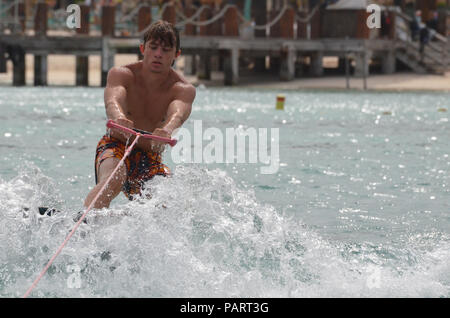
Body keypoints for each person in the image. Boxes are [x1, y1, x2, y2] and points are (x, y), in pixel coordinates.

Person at [84, 20, 196, 210]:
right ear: (143, 48)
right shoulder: (122, 74)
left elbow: (177, 114)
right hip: (117, 145)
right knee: (115, 178)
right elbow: (113, 100)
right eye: (153, 48)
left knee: (165, 203)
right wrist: (118, 116)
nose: (158, 54)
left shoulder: (183, 89)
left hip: (149, 156)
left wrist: (167, 130)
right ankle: (83, 222)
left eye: (166, 50)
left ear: (176, 54)